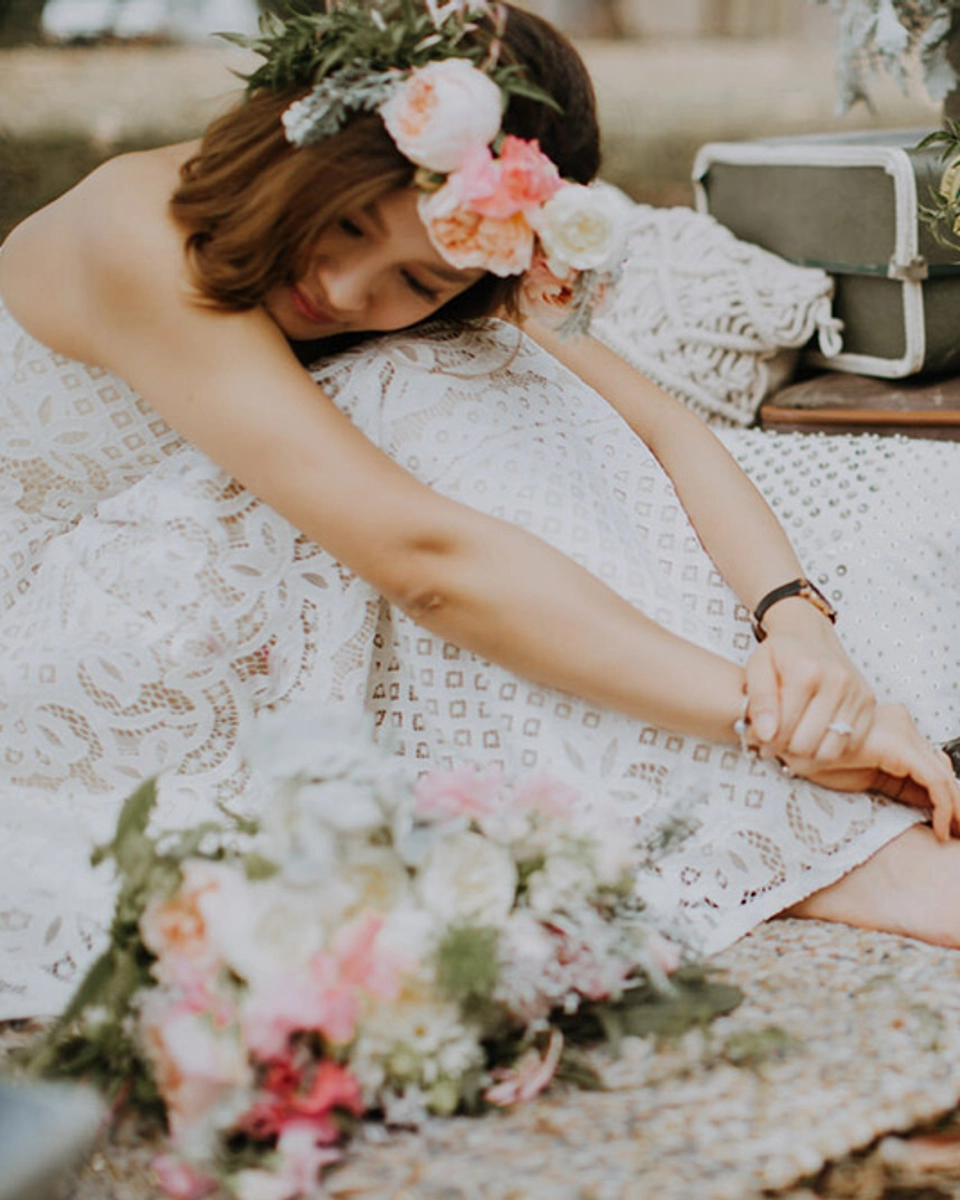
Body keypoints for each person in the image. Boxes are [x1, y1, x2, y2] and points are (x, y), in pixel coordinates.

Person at [0, 0, 959, 1021]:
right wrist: (764, 722)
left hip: (291, 577)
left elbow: (665, 430)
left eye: (417, 273)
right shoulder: (130, 232)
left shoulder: (454, 262)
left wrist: (797, 625)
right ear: (303, 138)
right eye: (345, 221)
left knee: (491, 371)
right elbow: (427, 562)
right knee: (415, 392)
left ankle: (814, 791)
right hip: (64, 642)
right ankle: (816, 834)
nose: (341, 283)